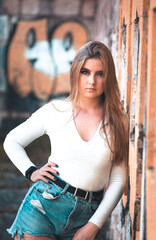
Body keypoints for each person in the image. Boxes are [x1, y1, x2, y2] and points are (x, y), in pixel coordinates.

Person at [3, 40, 128, 240]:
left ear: (109, 77)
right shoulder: (56, 111)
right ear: (75, 73)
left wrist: (93, 226)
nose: (92, 81)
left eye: (100, 73)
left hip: (86, 215)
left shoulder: (118, 121)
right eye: (85, 72)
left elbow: (118, 179)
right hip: (43, 207)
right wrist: (31, 171)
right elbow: (12, 141)